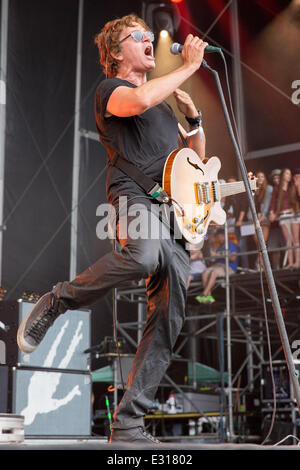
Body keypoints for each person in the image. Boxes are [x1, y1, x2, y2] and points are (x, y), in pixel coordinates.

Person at [17, 14, 208, 444]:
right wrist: (190, 67)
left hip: (172, 214)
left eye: (148, 35)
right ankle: (60, 298)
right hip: (134, 197)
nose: (148, 41)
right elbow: (135, 103)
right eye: (138, 37)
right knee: (142, 253)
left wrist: (194, 123)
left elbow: (195, 163)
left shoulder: (161, 105)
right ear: (116, 53)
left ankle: (127, 425)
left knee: (169, 317)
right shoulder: (113, 91)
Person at [196, 229, 239, 304]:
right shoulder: (218, 248)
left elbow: (233, 258)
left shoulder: (231, 244)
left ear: (225, 236)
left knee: (213, 272)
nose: (220, 238)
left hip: (228, 267)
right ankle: (208, 298)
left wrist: (216, 255)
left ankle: (204, 294)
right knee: (205, 272)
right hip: (217, 266)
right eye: (218, 237)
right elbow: (215, 261)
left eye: (221, 236)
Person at [269, 168, 300, 268]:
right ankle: (290, 263)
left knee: (295, 239)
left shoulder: (293, 186)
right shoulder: (277, 188)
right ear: (283, 175)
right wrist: (272, 213)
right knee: (288, 241)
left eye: (289, 174)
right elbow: (273, 202)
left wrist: (298, 185)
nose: (289, 175)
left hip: (294, 214)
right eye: (287, 173)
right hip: (283, 215)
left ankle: (297, 262)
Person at [223, 177, 249, 268]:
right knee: (236, 246)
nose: (230, 185)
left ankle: (245, 267)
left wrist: (240, 220)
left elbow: (243, 207)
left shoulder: (242, 193)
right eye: (229, 183)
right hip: (234, 224)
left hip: (243, 223)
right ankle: (240, 267)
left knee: (243, 245)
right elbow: (226, 209)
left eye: (232, 183)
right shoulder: (229, 196)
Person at [252, 171, 273, 269]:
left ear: (265, 178)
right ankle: (262, 264)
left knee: (262, 242)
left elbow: (268, 203)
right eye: (258, 176)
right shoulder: (253, 189)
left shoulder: (269, 189)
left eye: (262, 176)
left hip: (264, 218)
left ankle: (258, 263)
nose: (260, 178)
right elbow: (250, 206)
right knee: (258, 243)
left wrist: (263, 216)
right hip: (255, 218)